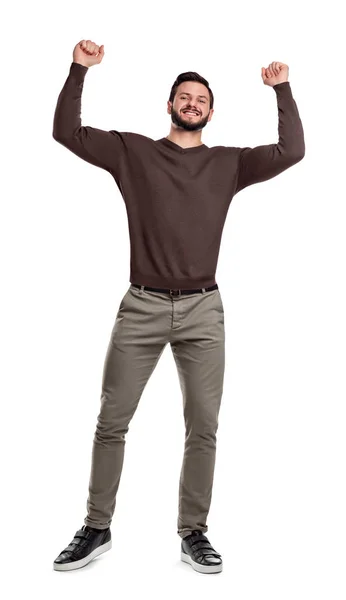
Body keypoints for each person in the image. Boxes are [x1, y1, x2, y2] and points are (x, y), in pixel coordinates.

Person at [52, 39, 305, 574]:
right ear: (169, 104)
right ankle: (97, 527)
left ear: (211, 112)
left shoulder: (229, 164)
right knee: (111, 421)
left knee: (204, 426)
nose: (192, 103)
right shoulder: (133, 152)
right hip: (141, 305)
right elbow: (66, 133)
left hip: (203, 310)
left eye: (201, 99)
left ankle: (194, 532)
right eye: (184, 96)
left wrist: (282, 88)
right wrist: (79, 69)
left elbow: (292, 152)